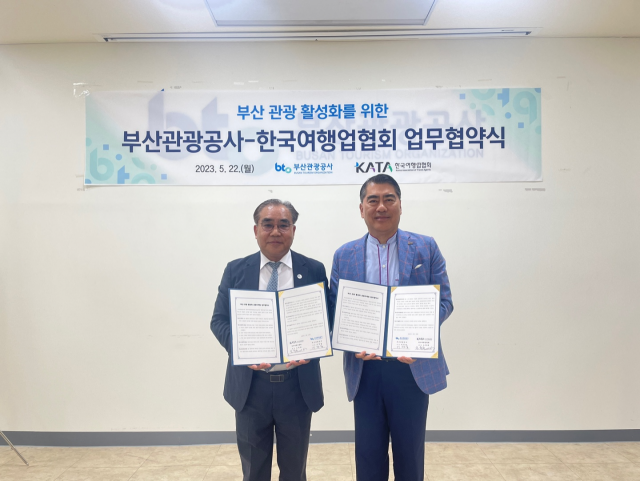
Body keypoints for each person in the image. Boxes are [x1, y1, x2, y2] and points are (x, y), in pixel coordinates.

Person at [327, 174, 454, 481]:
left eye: (389, 199)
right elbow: (334, 311)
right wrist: (350, 339)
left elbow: (444, 302)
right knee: (368, 456)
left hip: (411, 368)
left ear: (400, 205)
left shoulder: (426, 247)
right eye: (373, 200)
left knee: (410, 456)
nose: (381, 207)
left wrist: (417, 336)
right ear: (362, 209)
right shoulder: (344, 255)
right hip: (365, 370)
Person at [211, 199, 329, 481]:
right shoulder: (236, 270)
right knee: (254, 471)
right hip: (251, 388)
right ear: (256, 230)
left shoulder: (313, 270)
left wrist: (313, 346)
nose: (276, 231)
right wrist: (242, 349)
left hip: (297, 387)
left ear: (293, 230)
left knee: (294, 471)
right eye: (268, 224)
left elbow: (327, 319)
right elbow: (219, 321)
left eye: (283, 225)